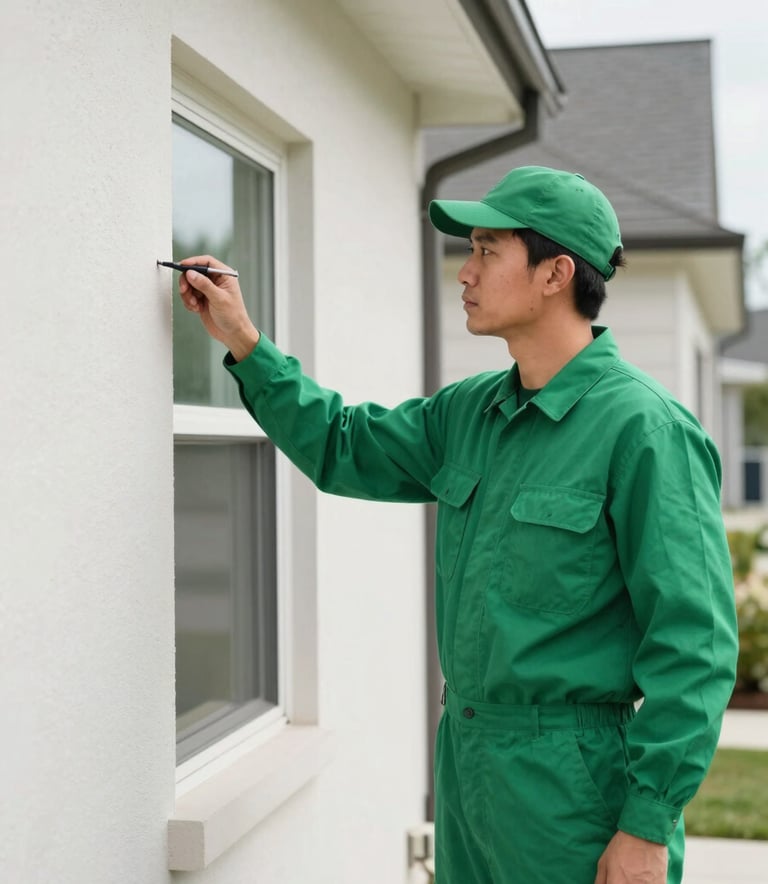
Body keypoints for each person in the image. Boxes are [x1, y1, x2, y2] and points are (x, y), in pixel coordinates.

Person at [176, 165, 738, 884]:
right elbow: (343, 445)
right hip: (468, 766)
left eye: (485, 250)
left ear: (555, 273)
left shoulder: (646, 431)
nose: (464, 272)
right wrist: (247, 342)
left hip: (573, 788)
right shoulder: (470, 413)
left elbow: (695, 647)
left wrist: (647, 825)